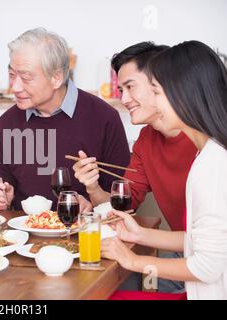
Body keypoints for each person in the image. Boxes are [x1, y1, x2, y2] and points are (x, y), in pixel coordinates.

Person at [102, 40, 227, 300]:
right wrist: (141, 234)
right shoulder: (207, 154)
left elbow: (207, 267)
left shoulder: (212, 164)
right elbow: (200, 241)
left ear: (185, 94)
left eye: (158, 91)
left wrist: (132, 260)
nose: (157, 103)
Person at [72, 42, 198, 293]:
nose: (124, 99)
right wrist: (93, 185)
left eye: (130, 87)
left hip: (203, 261)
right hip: (181, 250)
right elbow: (123, 205)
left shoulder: (205, 143)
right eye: (121, 89)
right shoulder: (146, 140)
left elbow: (211, 256)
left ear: (163, 84)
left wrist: (136, 259)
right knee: (117, 286)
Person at [0, 28, 130, 211]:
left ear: (56, 78)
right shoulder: (8, 123)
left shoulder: (104, 117)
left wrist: (92, 205)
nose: (14, 86)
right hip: (24, 235)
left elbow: (123, 202)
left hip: (84, 234)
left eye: (26, 77)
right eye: (12, 75)